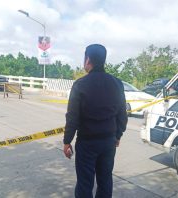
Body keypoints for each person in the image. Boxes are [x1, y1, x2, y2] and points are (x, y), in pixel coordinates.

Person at [63, 44, 128, 198]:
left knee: (85, 184)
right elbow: (122, 114)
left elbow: (72, 117)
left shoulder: (80, 85)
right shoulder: (117, 83)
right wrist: (118, 135)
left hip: (87, 143)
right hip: (108, 142)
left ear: (88, 60)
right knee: (105, 181)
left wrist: (67, 141)